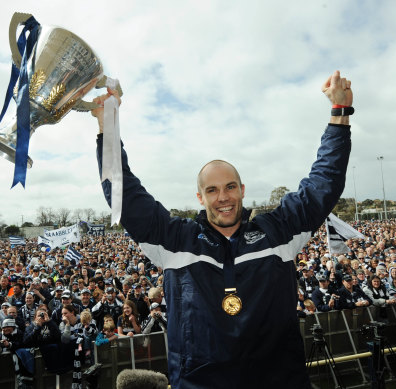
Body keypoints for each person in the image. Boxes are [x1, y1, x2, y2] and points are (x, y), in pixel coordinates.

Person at [91, 70, 353, 388]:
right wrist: (108, 126)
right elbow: (123, 192)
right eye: (212, 190)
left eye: (230, 187)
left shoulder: (279, 231)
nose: (223, 197)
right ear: (200, 197)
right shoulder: (174, 239)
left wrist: (340, 113)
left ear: (242, 189)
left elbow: (323, 184)